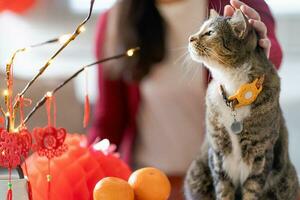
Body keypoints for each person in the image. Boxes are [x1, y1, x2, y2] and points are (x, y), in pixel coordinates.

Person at [88, 0, 283, 199]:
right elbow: (108, 122)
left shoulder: (236, 5)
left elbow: (272, 51)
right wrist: (85, 174)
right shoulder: (115, 21)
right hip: (146, 185)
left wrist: (256, 53)